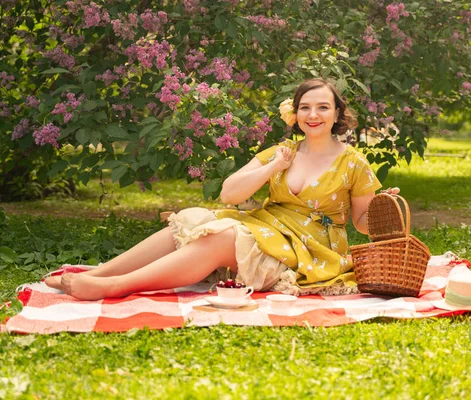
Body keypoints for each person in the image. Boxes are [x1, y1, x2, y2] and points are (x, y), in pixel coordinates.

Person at [46, 78, 398, 300]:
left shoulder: (354, 162)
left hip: (308, 253)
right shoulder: (282, 152)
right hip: (267, 228)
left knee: (220, 236)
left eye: (323, 107)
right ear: (295, 114)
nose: (313, 114)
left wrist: (384, 206)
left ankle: (115, 287)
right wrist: (275, 166)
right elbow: (229, 194)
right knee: (192, 219)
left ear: (337, 114)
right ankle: (96, 274)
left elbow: (362, 224)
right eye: (305, 107)